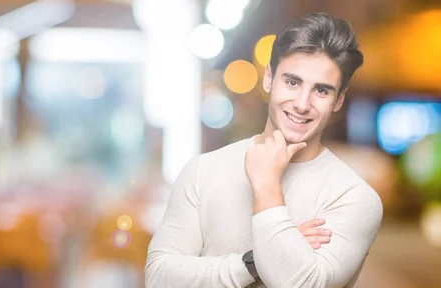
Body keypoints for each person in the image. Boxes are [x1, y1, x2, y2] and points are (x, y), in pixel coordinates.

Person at [144, 13, 383, 288]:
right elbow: (159, 278)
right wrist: (254, 262)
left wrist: (267, 185)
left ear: (339, 100)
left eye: (321, 90)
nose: (302, 104)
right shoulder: (202, 170)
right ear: (269, 79)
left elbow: (304, 284)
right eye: (292, 82)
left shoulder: (354, 197)